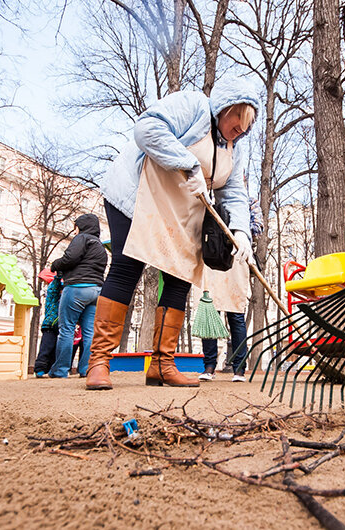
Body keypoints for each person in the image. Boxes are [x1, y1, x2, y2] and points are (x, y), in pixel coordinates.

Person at [83, 82, 259, 390]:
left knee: (180, 277)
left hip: (179, 211)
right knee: (127, 267)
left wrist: (242, 232)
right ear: (226, 110)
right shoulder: (192, 106)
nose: (240, 132)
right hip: (137, 196)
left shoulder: (234, 148)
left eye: (246, 129)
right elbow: (147, 128)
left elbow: (233, 192)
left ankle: (162, 364)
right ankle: (99, 361)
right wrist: (189, 164)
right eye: (238, 123)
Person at [199, 190, 263, 383]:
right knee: (209, 311)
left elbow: (257, 227)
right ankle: (209, 367)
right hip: (211, 257)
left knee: (236, 314)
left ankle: (239, 368)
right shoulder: (208, 199)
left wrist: (238, 233)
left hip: (236, 257)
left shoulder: (249, 202)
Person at [47, 214, 107, 378]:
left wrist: (56, 264)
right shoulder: (100, 246)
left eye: (76, 227)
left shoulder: (82, 239)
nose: (75, 231)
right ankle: (86, 369)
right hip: (96, 291)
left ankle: (60, 370)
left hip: (77, 288)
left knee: (66, 329)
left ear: (82, 226)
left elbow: (70, 258)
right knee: (89, 333)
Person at [33, 273, 62, 378]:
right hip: (50, 324)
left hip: (59, 325)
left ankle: (51, 369)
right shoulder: (52, 290)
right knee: (46, 347)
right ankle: (40, 368)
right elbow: (54, 288)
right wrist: (58, 279)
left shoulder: (60, 293)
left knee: (56, 349)